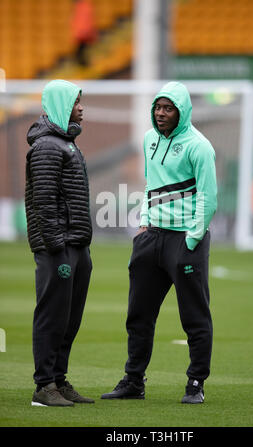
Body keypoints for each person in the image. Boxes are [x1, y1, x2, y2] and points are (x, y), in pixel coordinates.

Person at [101, 81, 217, 404]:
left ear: (182, 111)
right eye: (158, 107)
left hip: (184, 240)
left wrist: (192, 238)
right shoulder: (150, 139)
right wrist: (143, 223)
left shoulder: (199, 146)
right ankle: (133, 381)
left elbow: (208, 197)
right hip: (151, 238)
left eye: (168, 108)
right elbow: (152, 186)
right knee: (138, 314)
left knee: (194, 316)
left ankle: (196, 383)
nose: (161, 113)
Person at [25, 79, 94, 407]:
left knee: (70, 318)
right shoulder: (48, 146)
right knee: (52, 316)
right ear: (61, 104)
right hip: (59, 249)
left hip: (76, 245)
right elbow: (44, 201)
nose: (81, 106)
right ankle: (43, 386)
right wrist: (56, 248)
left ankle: (59, 379)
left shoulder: (66, 142)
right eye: (76, 101)